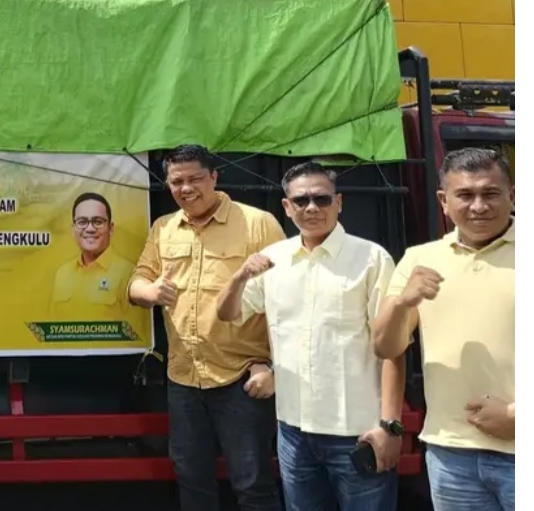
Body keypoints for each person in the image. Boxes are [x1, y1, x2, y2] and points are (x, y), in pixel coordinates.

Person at [216, 161, 405, 511]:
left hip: (357, 431)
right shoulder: (274, 260)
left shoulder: (371, 259)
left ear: (339, 202)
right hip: (294, 432)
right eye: (301, 201)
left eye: (322, 199)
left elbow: (393, 349)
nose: (312, 208)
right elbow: (228, 313)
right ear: (287, 207)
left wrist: (390, 427)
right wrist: (239, 277)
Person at [127, 144, 285, 511]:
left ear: (214, 177)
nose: (186, 188)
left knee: (253, 484)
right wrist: (151, 292)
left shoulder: (258, 223)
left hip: (242, 377)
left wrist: (272, 366)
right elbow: (136, 283)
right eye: (176, 182)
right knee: (191, 480)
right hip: (185, 378)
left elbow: (288, 301)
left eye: (195, 178)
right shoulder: (164, 228)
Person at [372, 147, 514, 511]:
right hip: (451, 456)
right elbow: (385, 347)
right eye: (465, 195)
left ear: (512, 194)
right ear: (443, 201)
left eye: (491, 193)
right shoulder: (420, 259)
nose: (479, 206)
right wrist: (401, 303)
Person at [50, 192, 135, 320]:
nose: (90, 228)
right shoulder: (62, 274)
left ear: (111, 228)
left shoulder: (129, 274)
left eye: (98, 221)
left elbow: (138, 329)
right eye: (82, 222)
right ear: (73, 229)